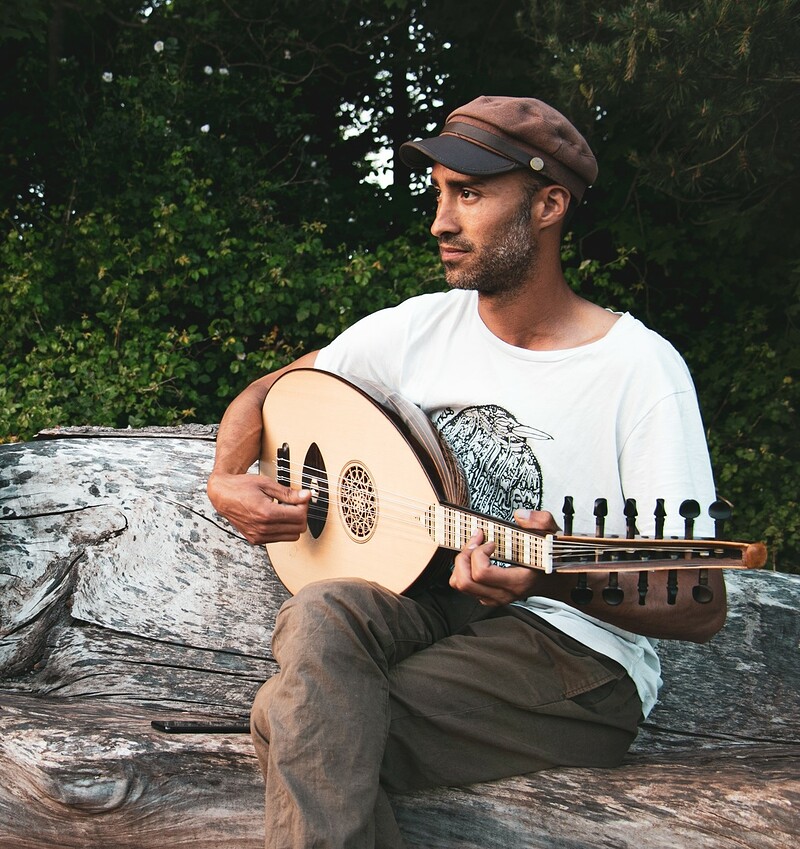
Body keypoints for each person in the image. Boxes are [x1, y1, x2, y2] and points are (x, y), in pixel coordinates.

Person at [207, 95, 725, 849]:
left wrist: (552, 575)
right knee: (318, 617)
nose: (440, 221)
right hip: (429, 605)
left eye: (470, 195)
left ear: (549, 204)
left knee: (296, 719)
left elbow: (702, 602)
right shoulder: (416, 328)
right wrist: (226, 479)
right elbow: (266, 392)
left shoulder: (638, 369)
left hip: (571, 655)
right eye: (441, 192)